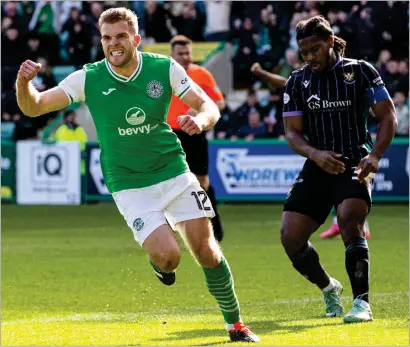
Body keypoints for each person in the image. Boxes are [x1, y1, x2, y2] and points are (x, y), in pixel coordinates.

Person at [16, 7, 259, 343]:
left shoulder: (163, 68)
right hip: (129, 183)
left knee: (206, 251)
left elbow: (208, 106)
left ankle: (236, 325)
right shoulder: (88, 77)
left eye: (120, 36)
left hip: (173, 170)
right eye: (106, 38)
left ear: (136, 39)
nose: (113, 44)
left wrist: (199, 122)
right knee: (169, 257)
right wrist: (23, 84)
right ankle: (161, 265)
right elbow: (36, 105)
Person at [280, 16, 396, 323]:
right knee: (290, 236)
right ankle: (329, 287)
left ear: (330, 42)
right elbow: (292, 132)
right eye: (304, 52)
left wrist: (376, 156)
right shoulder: (297, 81)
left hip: (358, 159)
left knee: (349, 218)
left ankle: (361, 303)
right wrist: (315, 154)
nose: (310, 57)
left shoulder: (360, 71)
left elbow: (388, 117)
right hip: (318, 163)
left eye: (315, 49)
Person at [250, 62, 372, 241]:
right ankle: (342, 223)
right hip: (323, 146)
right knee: (334, 187)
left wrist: (261, 73)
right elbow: (286, 83)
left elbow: (284, 82)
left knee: (349, 191)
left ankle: (353, 224)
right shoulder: (303, 82)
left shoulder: (343, 80)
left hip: (351, 148)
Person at [167, 35, 225, 242]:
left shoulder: (202, 74)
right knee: (168, 183)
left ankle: (214, 227)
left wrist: (200, 112)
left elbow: (219, 103)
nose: (184, 57)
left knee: (201, 183)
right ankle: (171, 230)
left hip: (194, 132)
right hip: (169, 134)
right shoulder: (164, 74)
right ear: (172, 55)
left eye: (187, 53)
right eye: (180, 53)